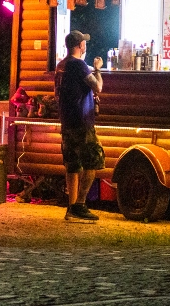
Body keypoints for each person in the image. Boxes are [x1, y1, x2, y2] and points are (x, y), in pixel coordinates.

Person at [59, 30, 105, 222]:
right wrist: (98, 69)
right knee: (92, 161)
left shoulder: (61, 66)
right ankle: (80, 204)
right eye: (84, 42)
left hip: (67, 122)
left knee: (72, 165)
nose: (85, 44)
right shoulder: (78, 65)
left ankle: (71, 207)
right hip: (82, 122)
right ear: (80, 46)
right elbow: (98, 87)